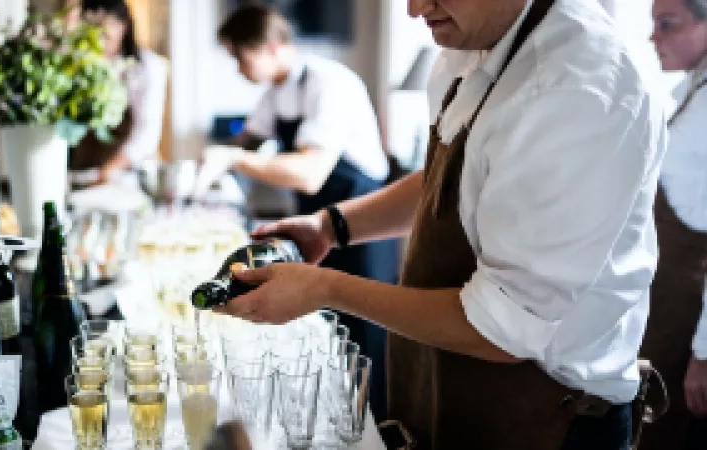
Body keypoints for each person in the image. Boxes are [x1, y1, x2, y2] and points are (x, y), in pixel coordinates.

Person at [215, 0, 668, 448]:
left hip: (548, 418)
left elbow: (502, 328)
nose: (414, 10)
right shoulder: (473, 45)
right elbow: (451, 178)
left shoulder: (576, 88)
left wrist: (323, 289)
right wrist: (331, 226)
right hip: (452, 393)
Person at [206, 4, 399, 423]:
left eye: (241, 57)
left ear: (272, 47)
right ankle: (330, 421)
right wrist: (217, 162)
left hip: (363, 222)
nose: (238, 69)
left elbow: (309, 174)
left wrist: (231, 160)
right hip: (318, 226)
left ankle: (376, 429)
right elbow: (247, 142)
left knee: (364, 341)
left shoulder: (329, 83)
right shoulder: (275, 93)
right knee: (323, 333)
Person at [638, 1, 707, 449]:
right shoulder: (690, 92)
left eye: (668, 24)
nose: (653, 37)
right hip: (663, 303)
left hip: (690, 312)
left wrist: (704, 353)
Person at [67, 0, 167, 188]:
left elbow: (147, 134)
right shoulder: (77, 64)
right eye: (90, 30)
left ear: (124, 26)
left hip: (127, 175)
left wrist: (109, 169)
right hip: (80, 173)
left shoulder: (147, 67)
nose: (97, 37)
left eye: (104, 30)